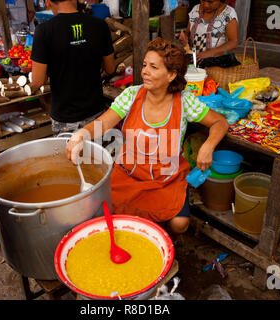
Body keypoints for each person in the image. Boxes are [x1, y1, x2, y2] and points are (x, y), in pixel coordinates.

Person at [66, 38, 229, 236]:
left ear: (171, 75)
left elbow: (220, 122)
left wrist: (208, 145)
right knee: (102, 211)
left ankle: (160, 239)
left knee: (179, 224)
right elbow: (103, 123)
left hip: (165, 179)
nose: (144, 71)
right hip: (129, 174)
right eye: (144, 65)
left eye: (153, 67)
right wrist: (82, 134)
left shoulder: (185, 101)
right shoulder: (131, 95)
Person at [30, 0, 115, 135]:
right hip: (96, 113)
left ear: (48, 2)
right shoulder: (100, 25)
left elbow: (37, 82)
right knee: (98, 155)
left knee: (71, 155)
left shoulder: (44, 31)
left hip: (65, 118)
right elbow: (110, 69)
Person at [179, 0, 238, 65]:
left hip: (215, 64)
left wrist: (210, 53)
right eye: (202, 0)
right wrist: (184, 38)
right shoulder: (195, 9)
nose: (206, 5)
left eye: (210, 2)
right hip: (193, 61)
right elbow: (188, 33)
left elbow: (233, 42)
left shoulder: (228, 13)